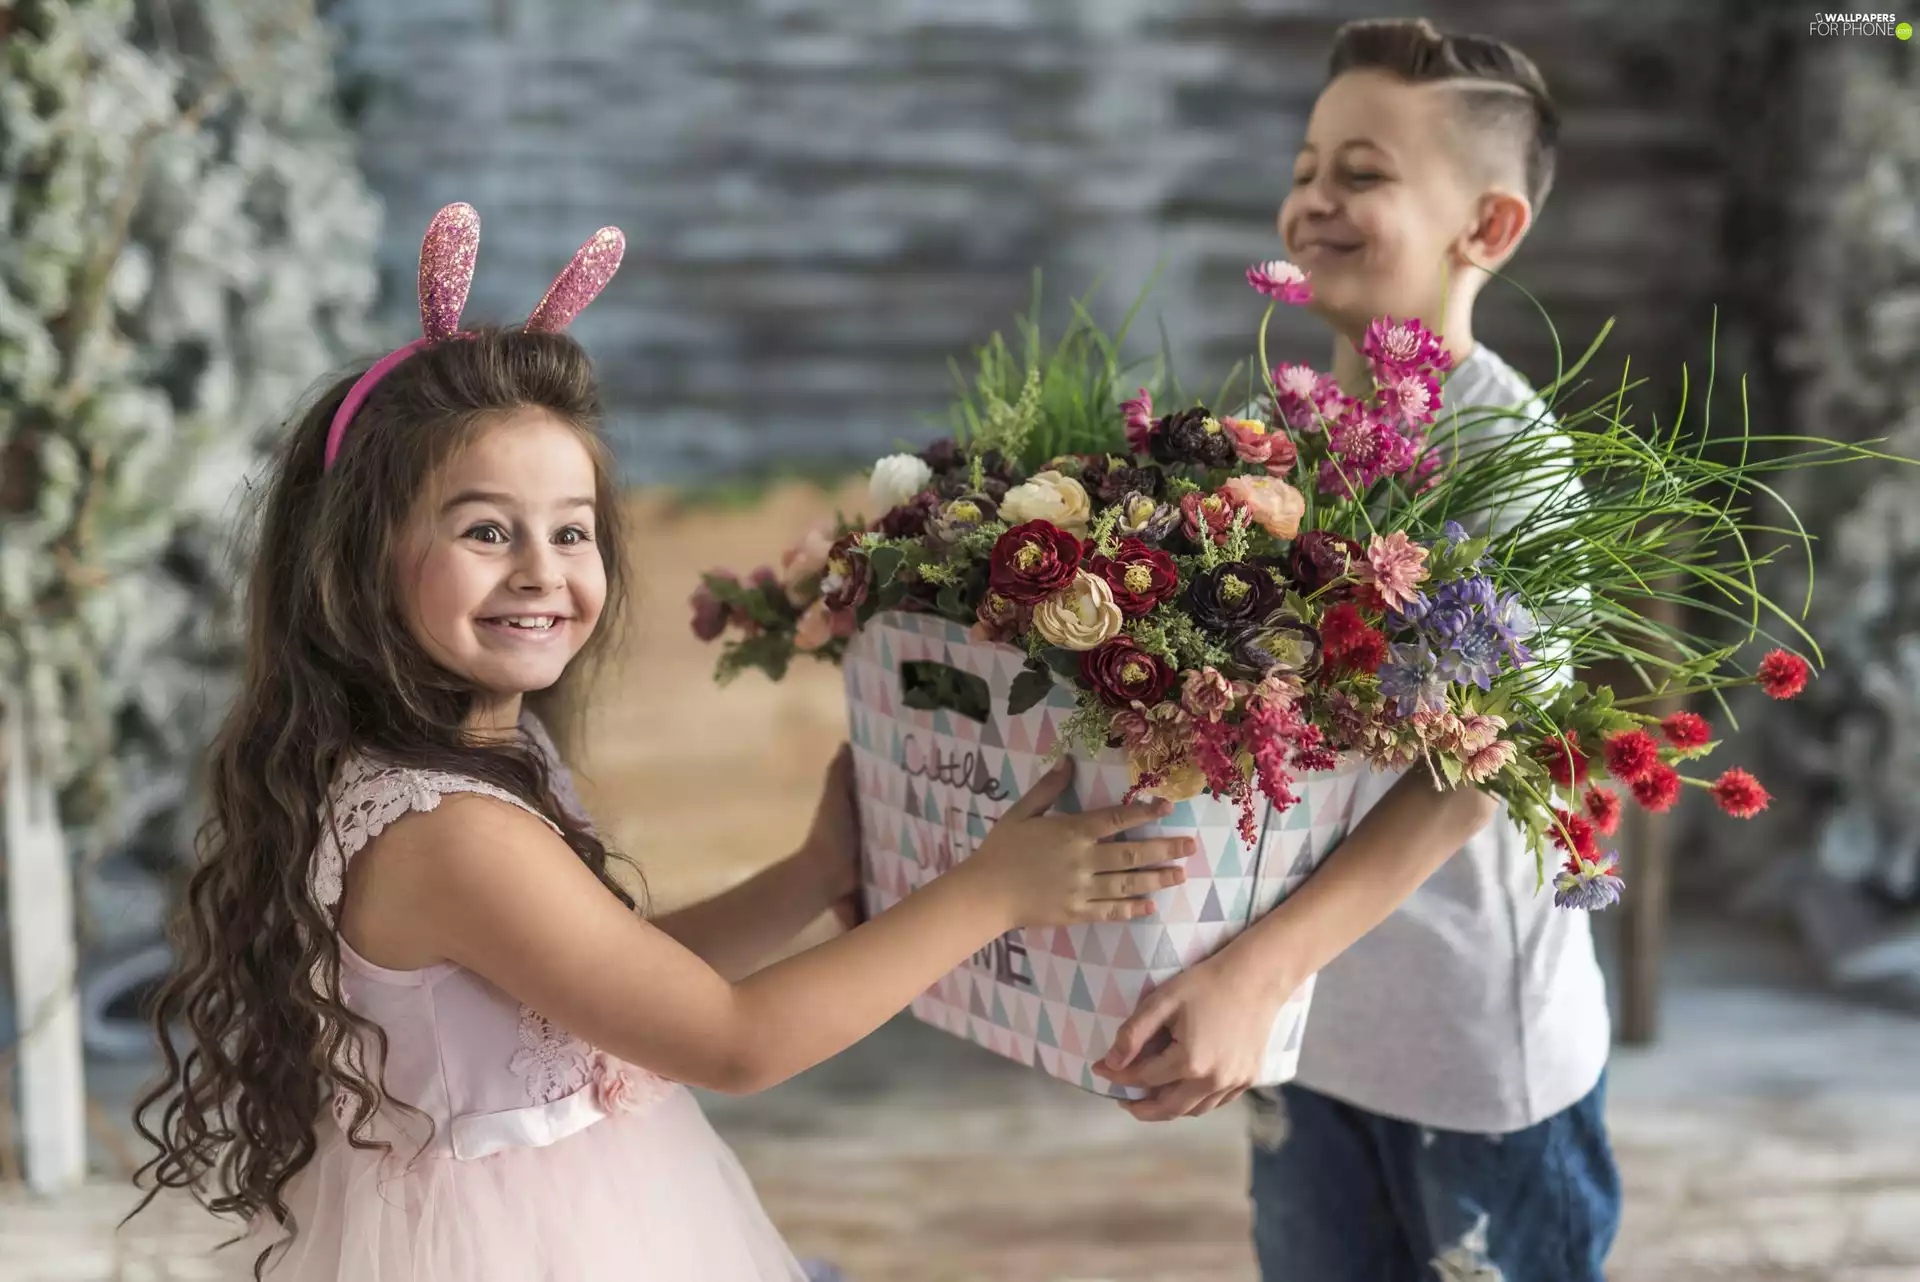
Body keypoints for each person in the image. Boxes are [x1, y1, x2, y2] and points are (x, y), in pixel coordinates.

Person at [129, 203, 1192, 1281]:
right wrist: (991, 895)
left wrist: (812, 872)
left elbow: (612, 987)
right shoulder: (448, 832)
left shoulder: (465, 767)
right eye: (486, 530)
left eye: (571, 530)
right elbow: (732, 1041)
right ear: (361, 559)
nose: (542, 570)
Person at [1095, 20, 1619, 1281]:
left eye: (1363, 174)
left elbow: (1469, 782)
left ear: (1488, 227)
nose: (1314, 200)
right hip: (1302, 1026)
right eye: (1305, 169)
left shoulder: (1511, 462)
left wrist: (1255, 972)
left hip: (1465, 1050)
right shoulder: (1276, 434)